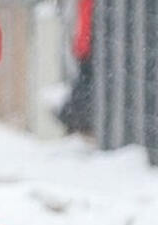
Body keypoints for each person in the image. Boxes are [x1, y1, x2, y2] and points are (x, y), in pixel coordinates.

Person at [58, 0, 93, 134]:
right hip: (88, 46)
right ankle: (74, 119)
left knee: (84, 85)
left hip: (85, 45)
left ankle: (72, 118)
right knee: (85, 86)